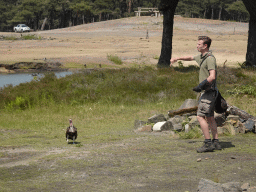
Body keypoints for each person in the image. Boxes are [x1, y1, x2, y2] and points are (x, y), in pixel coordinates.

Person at [170, 36, 221, 153]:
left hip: (208, 92)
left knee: (200, 116)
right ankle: (216, 142)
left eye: (199, 44)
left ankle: (208, 143)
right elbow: (190, 57)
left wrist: (201, 85)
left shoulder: (210, 59)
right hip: (209, 92)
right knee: (210, 117)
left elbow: (212, 76)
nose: (197, 46)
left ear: (205, 46)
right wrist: (177, 58)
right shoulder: (202, 57)